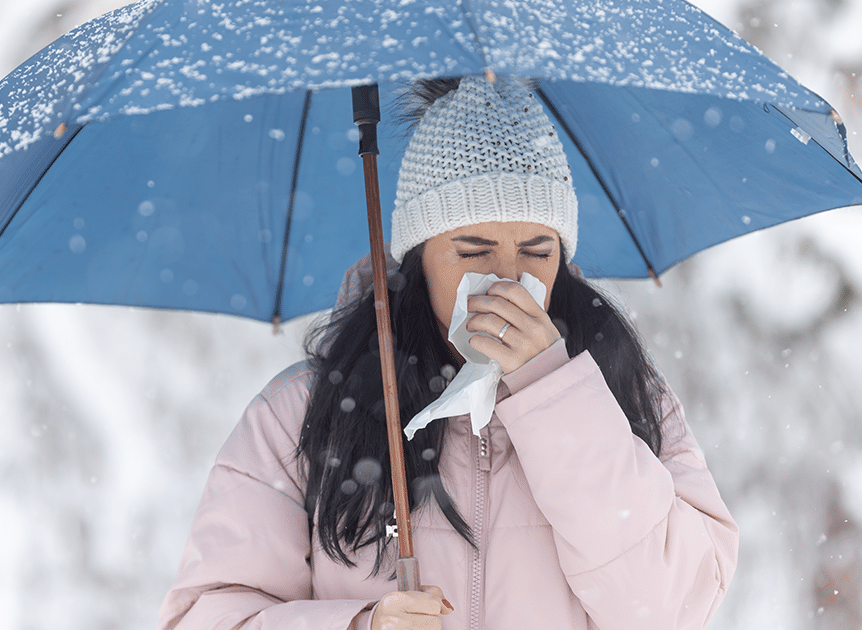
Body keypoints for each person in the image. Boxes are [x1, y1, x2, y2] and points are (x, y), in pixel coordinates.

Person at [156, 76, 738, 630]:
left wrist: (553, 393)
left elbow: (672, 606)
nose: (507, 279)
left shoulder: (621, 390)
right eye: (473, 250)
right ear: (419, 255)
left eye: (537, 251)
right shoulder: (303, 413)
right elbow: (209, 615)